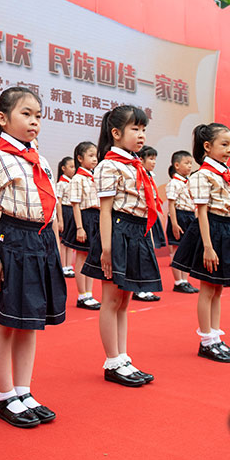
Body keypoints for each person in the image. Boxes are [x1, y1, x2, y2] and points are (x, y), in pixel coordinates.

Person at [0, 86, 66, 428]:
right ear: (2, 119)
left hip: (39, 242)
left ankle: (23, 390)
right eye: (26, 114)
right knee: (4, 321)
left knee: (30, 322)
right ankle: (4, 395)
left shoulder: (41, 160)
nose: (34, 121)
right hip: (10, 242)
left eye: (38, 116)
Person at [82, 106, 160, 385]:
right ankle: (112, 360)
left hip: (136, 233)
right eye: (134, 129)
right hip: (116, 232)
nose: (141, 135)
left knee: (125, 300)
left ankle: (123, 357)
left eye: (143, 129)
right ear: (116, 133)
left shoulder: (135, 164)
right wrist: (106, 248)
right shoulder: (108, 165)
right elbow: (105, 210)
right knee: (112, 299)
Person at [171, 123, 230, 363]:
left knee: (218, 288)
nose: (228, 150)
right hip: (210, 231)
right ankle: (206, 340)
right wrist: (207, 246)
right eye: (224, 145)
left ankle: (216, 337)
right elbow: (201, 213)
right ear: (207, 146)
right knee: (207, 288)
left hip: (225, 229)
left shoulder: (224, 173)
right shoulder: (202, 175)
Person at [63, 141, 101, 310]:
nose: (95, 159)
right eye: (90, 156)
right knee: (81, 257)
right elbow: (75, 205)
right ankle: (81, 295)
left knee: (91, 257)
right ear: (80, 158)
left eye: (96, 156)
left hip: (95, 218)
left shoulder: (95, 177)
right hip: (84, 218)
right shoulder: (77, 179)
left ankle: (89, 294)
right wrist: (79, 227)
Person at [164, 150, 198, 294]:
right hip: (178, 216)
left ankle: (185, 280)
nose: (189, 166)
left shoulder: (189, 182)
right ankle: (178, 281)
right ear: (176, 165)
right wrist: (174, 223)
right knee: (177, 250)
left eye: (191, 163)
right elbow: (171, 204)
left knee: (186, 250)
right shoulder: (174, 183)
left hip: (189, 215)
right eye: (186, 163)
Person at [134, 145, 163, 302]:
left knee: (147, 254)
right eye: (151, 159)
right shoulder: (138, 176)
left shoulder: (151, 176)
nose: (154, 162)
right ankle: (138, 289)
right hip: (140, 219)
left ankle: (145, 287)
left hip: (149, 217)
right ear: (141, 159)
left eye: (154, 159)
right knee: (140, 255)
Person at [56, 156, 76, 278]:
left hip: (72, 211)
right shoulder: (61, 184)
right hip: (64, 211)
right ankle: (63, 265)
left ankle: (69, 266)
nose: (74, 169)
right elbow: (58, 201)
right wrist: (60, 220)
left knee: (70, 241)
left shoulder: (73, 182)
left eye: (74, 167)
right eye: (71, 167)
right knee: (63, 241)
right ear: (63, 168)